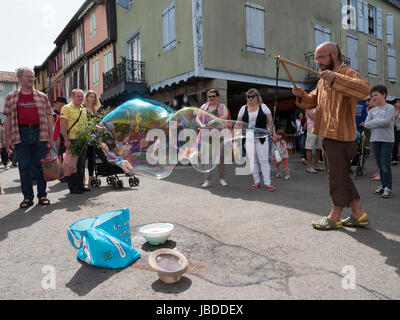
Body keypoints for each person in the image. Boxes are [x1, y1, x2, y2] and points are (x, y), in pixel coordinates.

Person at [292, 42, 370, 230]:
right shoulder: (321, 80)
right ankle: (359, 214)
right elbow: (312, 102)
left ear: (334, 55)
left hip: (341, 136)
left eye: (321, 57)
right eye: (317, 58)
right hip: (327, 134)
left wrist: (336, 77)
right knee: (342, 176)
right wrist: (302, 94)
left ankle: (335, 216)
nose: (318, 62)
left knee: (336, 177)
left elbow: (364, 90)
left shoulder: (347, 73)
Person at [3, 67, 53, 208]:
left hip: (40, 132)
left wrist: (50, 137)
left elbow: (49, 117)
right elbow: (7, 120)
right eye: (28, 76)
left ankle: (42, 195)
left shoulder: (42, 96)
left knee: (40, 166)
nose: (31, 79)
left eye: (32, 76)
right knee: (24, 167)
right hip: (21, 133)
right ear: (19, 78)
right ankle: (27, 197)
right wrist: (7, 142)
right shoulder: (11, 97)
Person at [235, 88, 276, 191]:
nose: (250, 98)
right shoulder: (243, 108)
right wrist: (235, 135)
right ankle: (256, 181)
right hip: (248, 137)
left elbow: (270, 122)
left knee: (263, 160)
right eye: (248, 97)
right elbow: (238, 123)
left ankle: (267, 183)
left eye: (252, 96)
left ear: (257, 97)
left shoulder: (263, 107)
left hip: (261, 137)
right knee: (252, 161)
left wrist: (273, 134)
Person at [364, 85, 395, 199]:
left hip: (387, 140)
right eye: (372, 96)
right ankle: (383, 186)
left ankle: (388, 188)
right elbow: (366, 124)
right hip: (375, 139)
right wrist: (378, 122)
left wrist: (374, 123)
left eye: (376, 95)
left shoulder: (390, 108)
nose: (373, 97)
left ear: (384, 95)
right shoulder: (372, 111)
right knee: (379, 165)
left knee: (385, 164)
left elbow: (386, 122)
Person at [196, 89, 229, 188]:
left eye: (213, 96)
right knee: (208, 158)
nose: (211, 98)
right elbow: (197, 118)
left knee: (221, 158)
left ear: (217, 97)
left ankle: (222, 178)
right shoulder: (204, 107)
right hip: (207, 135)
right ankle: (207, 180)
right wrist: (201, 124)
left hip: (219, 135)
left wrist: (215, 120)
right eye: (209, 96)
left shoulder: (222, 106)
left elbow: (225, 116)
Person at [59, 89, 90, 194]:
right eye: (78, 96)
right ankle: (73, 187)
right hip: (72, 139)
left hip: (82, 140)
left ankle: (80, 185)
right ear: (72, 96)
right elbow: (62, 125)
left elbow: (85, 125)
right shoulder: (66, 108)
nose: (81, 98)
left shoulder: (83, 109)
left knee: (81, 164)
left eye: (82, 97)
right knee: (73, 165)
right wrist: (66, 140)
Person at [83, 90, 101, 187]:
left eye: (94, 97)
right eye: (91, 96)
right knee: (83, 158)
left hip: (93, 136)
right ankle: (82, 178)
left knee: (92, 157)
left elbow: (96, 123)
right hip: (85, 135)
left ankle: (91, 177)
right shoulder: (83, 109)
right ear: (87, 97)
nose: (93, 99)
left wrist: (100, 127)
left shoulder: (95, 110)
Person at [304, 108, 324, 173]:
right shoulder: (308, 107)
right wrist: (319, 111)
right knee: (309, 147)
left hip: (320, 127)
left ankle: (316, 165)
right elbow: (313, 117)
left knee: (318, 148)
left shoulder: (318, 106)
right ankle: (309, 167)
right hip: (311, 128)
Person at [392, 98, 400, 165]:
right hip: (390, 129)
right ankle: (390, 157)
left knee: (396, 144)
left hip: (398, 130)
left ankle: (394, 159)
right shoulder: (391, 110)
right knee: (391, 143)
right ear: (394, 103)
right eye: (398, 102)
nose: (399, 104)